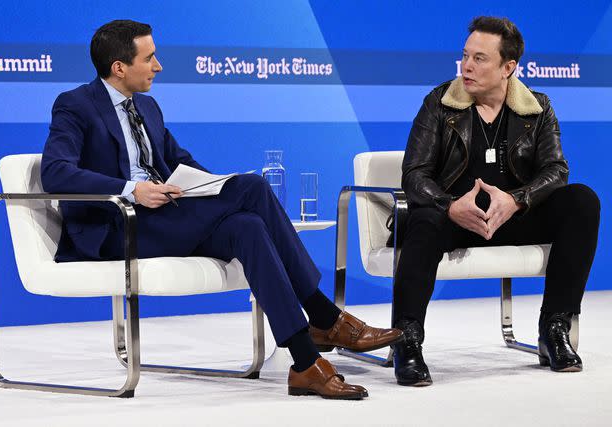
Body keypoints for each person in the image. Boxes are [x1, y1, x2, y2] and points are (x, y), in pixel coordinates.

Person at [41, 19, 402, 399]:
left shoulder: (146, 106)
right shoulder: (76, 105)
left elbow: (178, 160)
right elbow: (55, 172)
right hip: (117, 226)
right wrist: (132, 190)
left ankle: (304, 362)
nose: (158, 66)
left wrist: (211, 188)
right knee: (253, 187)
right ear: (119, 67)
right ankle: (325, 316)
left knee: (247, 226)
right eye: (149, 58)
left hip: (164, 216)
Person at [390, 16, 600, 386]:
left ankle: (553, 328)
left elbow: (556, 170)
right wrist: (448, 205)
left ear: (509, 68)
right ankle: (407, 340)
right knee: (423, 220)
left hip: (511, 218)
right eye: (465, 55)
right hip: (454, 219)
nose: (467, 66)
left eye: (480, 58)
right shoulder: (439, 104)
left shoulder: (538, 108)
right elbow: (414, 174)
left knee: (582, 201)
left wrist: (517, 201)